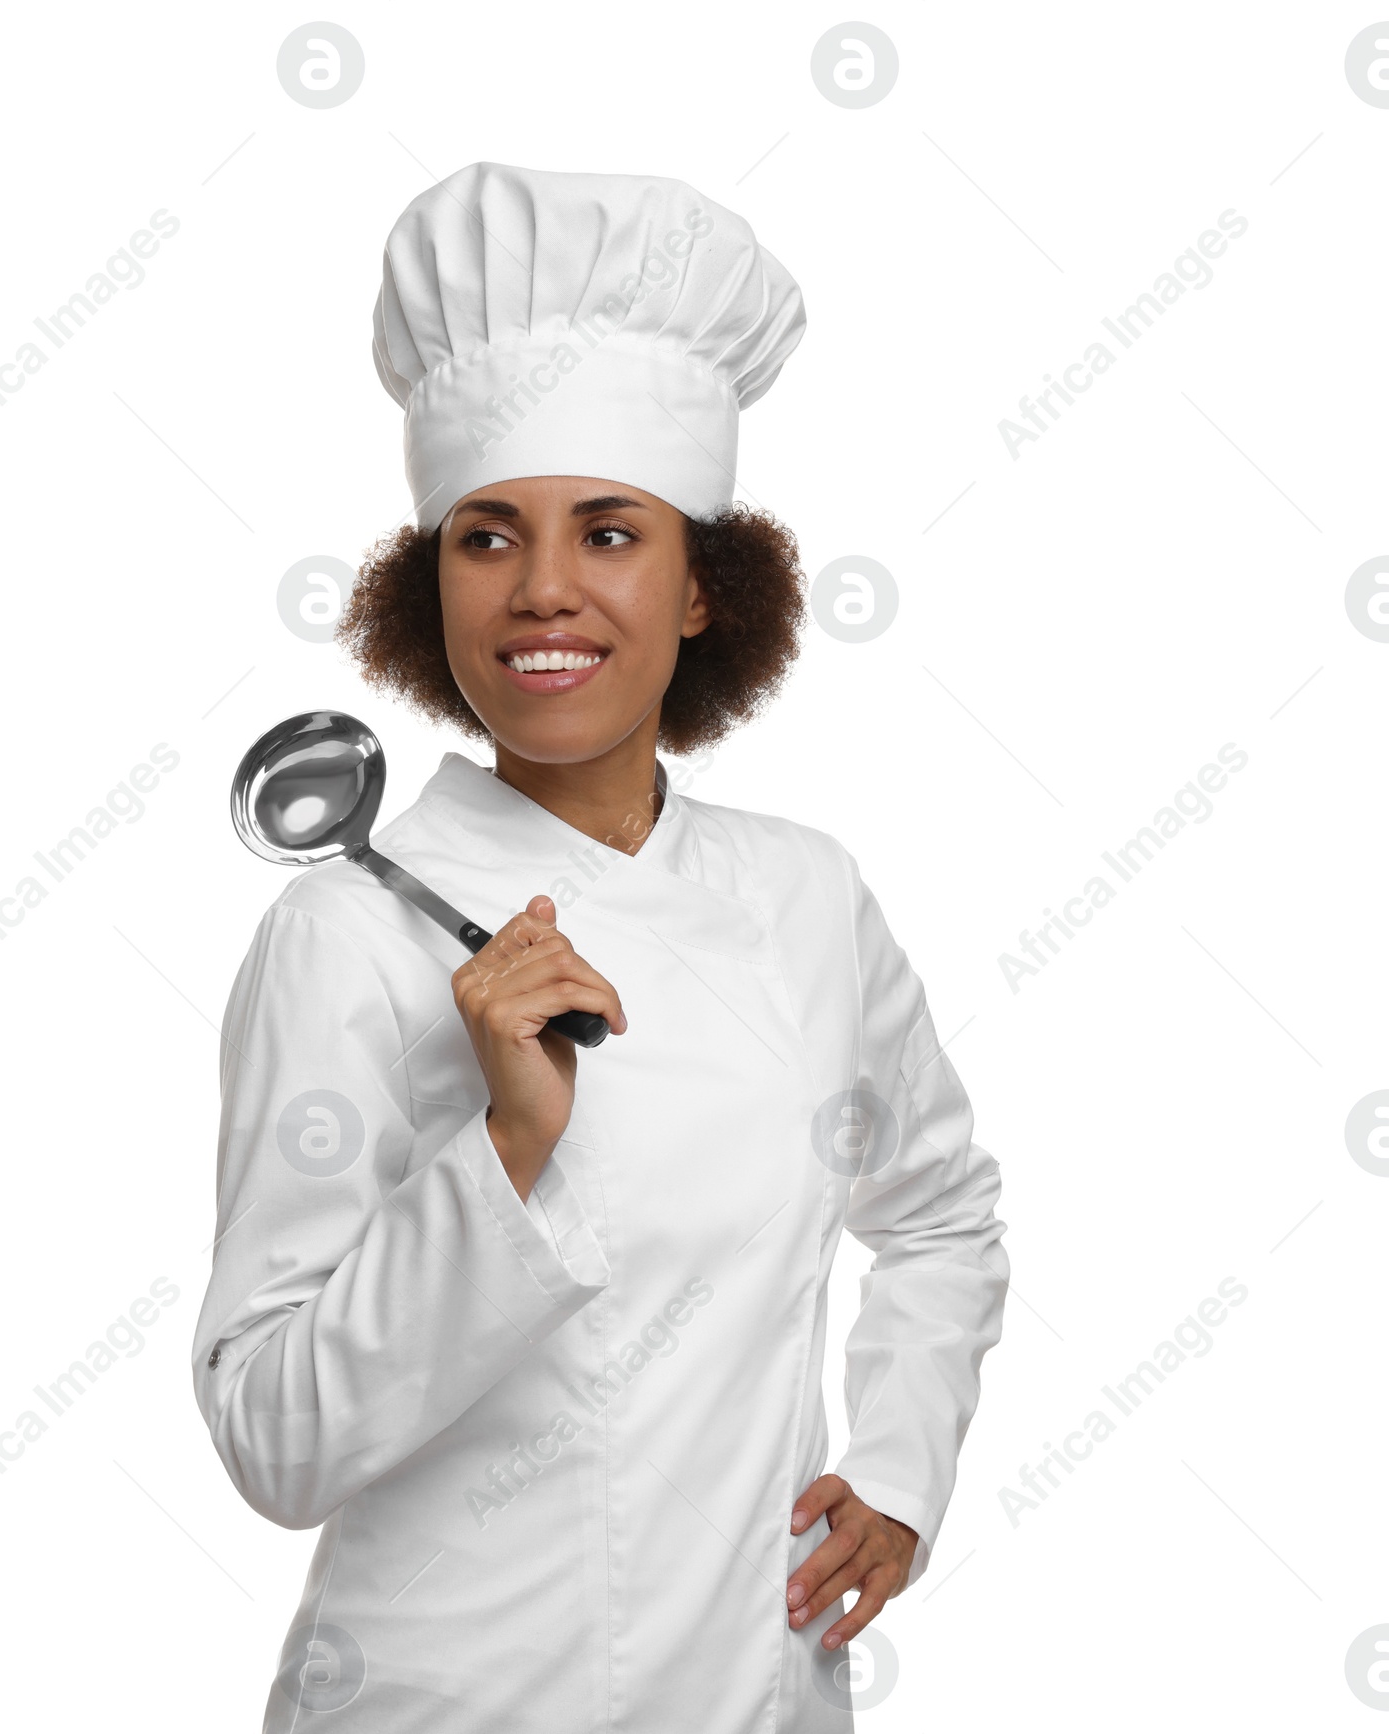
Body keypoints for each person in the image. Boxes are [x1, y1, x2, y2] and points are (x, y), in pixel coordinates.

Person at [191, 161, 1009, 1732]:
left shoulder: (806, 896)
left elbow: (943, 1215)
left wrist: (900, 1472)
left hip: (761, 1695)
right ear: (429, 587)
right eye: (487, 536)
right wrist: (505, 1146)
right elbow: (269, 1439)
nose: (546, 589)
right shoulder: (348, 930)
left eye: (611, 531)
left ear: (705, 584)